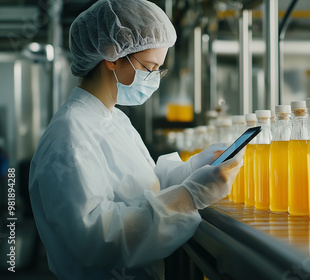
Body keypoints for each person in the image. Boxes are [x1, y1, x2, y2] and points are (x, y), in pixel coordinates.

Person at [28, 0, 244, 279]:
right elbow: (97, 239)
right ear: (112, 54)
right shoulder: (70, 137)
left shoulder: (114, 120)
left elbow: (142, 189)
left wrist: (191, 170)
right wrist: (189, 197)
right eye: (150, 67)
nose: (154, 78)